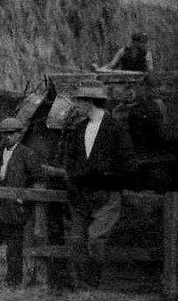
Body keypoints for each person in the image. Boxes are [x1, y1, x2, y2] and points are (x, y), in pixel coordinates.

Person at [62, 84, 135, 290]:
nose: (77, 105)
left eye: (79, 101)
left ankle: (92, 283)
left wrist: (107, 177)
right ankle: (81, 286)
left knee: (95, 239)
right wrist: (74, 185)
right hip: (81, 197)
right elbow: (71, 163)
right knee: (77, 240)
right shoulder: (79, 129)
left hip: (107, 196)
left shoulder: (115, 129)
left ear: (89, 102)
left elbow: (129, 164)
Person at [0, 117, 47, 291]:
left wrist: (25, 199)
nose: (7, 137)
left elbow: (38, 178)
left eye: (11, 134)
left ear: (19, 134)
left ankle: (13, 282)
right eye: (4, 134)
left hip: (15, 209)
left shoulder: (27, 154)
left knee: (14, 249)